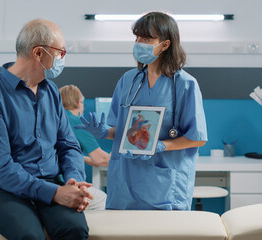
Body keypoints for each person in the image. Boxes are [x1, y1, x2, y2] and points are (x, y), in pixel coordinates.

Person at [0, 19, 92, 240]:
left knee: (74, 229)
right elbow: (1, 168)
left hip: (51, 182)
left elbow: (69, 145)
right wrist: (55, 194)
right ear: (38, 53)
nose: (61, 59)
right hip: (3, 190)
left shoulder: (51, 92)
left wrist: (72, 181)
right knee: (30, 236)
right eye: (60, 52)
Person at [76, 12, 207, 210]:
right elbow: (122, 131)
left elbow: (197, 138)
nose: (139, 43)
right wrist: (104, 132)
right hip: (123, 184)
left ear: (165, 44)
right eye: (137, 38)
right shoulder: (128, 80)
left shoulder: (185, 85)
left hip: (163, 186)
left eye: (146, 38)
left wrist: (162, 146)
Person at [59, 84, 110, 210]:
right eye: (83, 103)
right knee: (104, 200)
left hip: (51, 183)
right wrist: (125, 158)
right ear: (78, 103)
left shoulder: (57, 119)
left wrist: (87, 159)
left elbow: (63, 153)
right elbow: (101, 159)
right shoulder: (76, 121)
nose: (83, 107)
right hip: (67, 184)